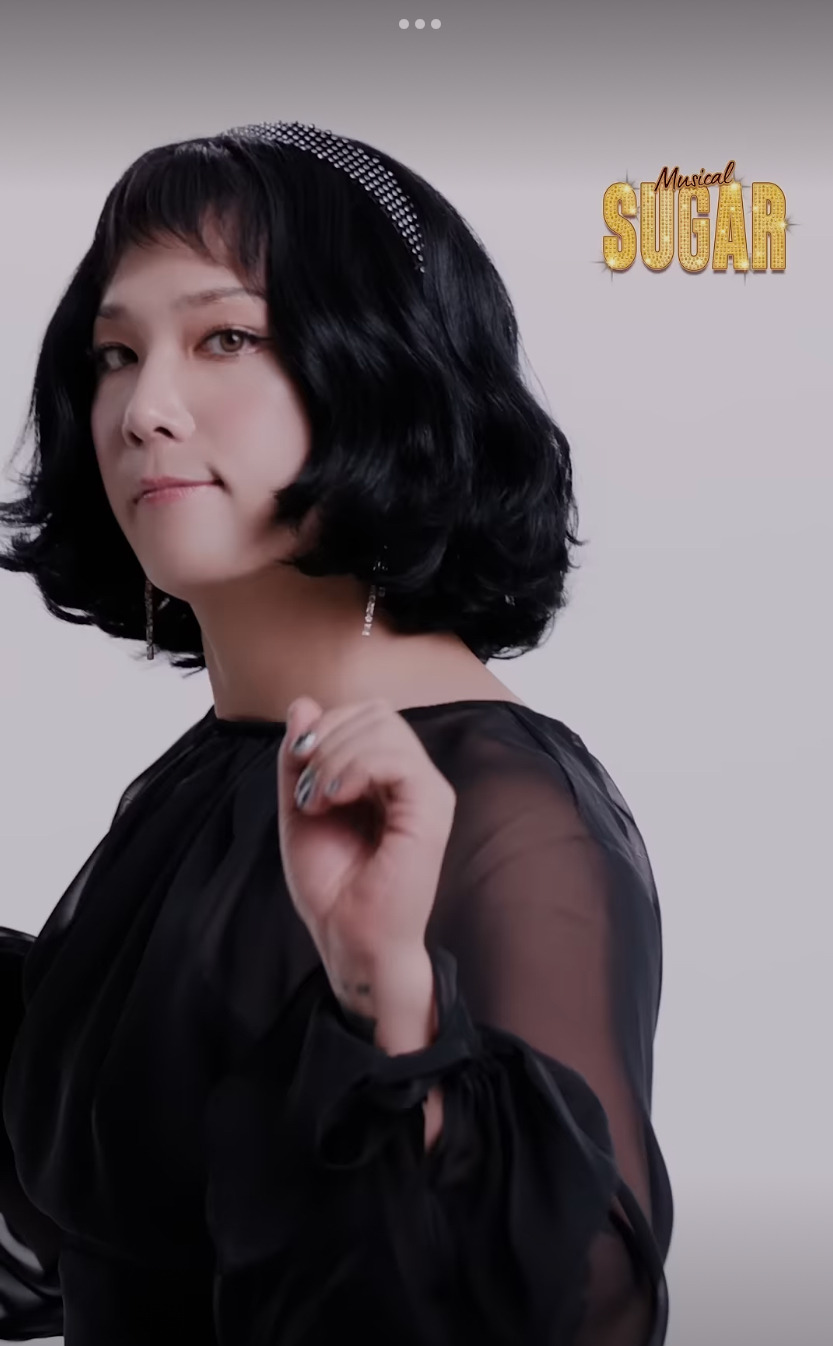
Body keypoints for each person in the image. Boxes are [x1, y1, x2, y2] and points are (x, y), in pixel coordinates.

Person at [0, 121, 673, 1345]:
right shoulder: (202, 779)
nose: (144, 408)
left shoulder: (505, 813)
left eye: (225, 338)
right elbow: (95, 1220)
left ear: (383, 369)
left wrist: (386, 1003)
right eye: (114, 353)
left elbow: (578, 1309)